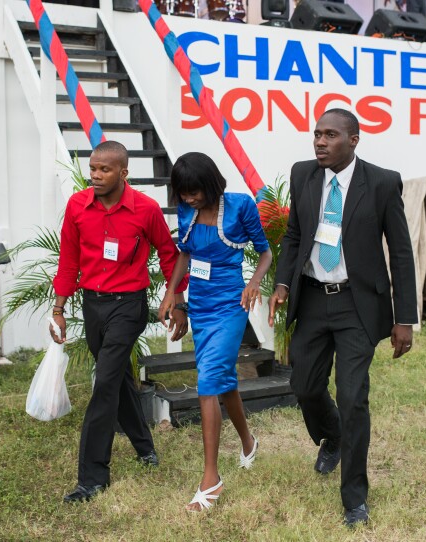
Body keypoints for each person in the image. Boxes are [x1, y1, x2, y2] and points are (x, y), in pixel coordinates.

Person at [267, 109, 418, 528]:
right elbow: (295, 234)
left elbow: (401, 253)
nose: (319, 142)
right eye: (316, 134)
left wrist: (405, 318)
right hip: (313, 300)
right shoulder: (303, 175)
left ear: (354, 139)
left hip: (357, 305)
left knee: (354, 399)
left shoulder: (383, 182)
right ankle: (331, 436)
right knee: (303, 385)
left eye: (330, 135)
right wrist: (282, 285)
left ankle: (355, 498)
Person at [50, 140, 189, 503]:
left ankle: (92, 478)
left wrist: (176, 299)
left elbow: (169, 254)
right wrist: (59, 309)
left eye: (104, 170)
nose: (95, 175)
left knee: (105, 383)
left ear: (123, 173)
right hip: (92, 306)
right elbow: (68, 261)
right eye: (93, 168)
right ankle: (145, 447)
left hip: (129, 306)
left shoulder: (144, 209)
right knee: (119, 379)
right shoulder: (78, 206)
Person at [158, 152, 272, 512]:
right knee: (223, 381)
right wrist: (172, 295)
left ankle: (211, 478)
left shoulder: (240, 207)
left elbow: (265, 253)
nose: (188, 199)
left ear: (210, 185)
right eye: (182, 193)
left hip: (230, 306)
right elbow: (184, 255)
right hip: (201, 305)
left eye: (193, 193)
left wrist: (253, 283)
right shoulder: (187, 211)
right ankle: (248, 442)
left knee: (208, 380)